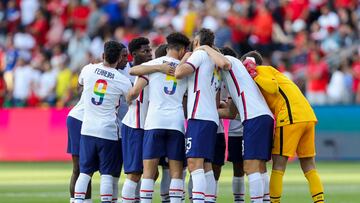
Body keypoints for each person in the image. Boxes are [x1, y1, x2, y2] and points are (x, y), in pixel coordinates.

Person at [240, 51, 324, 203]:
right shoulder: (272, 74)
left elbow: (272, 88)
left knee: (278, 165)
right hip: (308, 116)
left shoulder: (262, 70)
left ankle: (274, 201)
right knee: (309, 165)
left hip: (291, 116)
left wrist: (254, 73)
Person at [126, 32, 190, 203]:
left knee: (148, 172)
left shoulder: (151, 65)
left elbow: (134, 83)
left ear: (167, 47)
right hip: (176, 123)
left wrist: (128, 98)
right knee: (176, 172)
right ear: (183, 50)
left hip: (154, 122)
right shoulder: (186, 69)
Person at [207, 46, 274, 203]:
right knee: (260, 167)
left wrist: (204, 48)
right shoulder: (241, 79)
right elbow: (231, 113)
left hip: (254, 118)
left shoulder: (229, 63)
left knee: (250, 167)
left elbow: (224, 63)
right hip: (264, 117)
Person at [175, 28, 230, 203]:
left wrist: (185, 58)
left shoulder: (199, 55)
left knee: (194, 164)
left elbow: (178, 73)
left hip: (199, 116)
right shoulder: (214, 62)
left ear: (198, 42)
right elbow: (215, 100)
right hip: (210, 117)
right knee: (206, 165)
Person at [73, 40, 132, 203]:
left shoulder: (88, 69)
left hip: (87, 129)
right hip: (108, 131)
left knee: (84, 173)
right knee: (107, 174)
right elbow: (131, 99)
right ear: (120, 57)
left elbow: (79, 86)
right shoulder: (122, 80)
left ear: (103, 55)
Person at [120, 37, 173, 202]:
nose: (150, 53)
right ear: (134, 54)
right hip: (135, 125)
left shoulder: (150, 69)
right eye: (146, 51)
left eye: (150, 50)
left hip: (149, 125)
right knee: (135, 173)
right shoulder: (142, 70)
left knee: (153, 172)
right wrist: (129, 97)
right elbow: (132, 93)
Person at [219, 47, 246, 203]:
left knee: (251, 167)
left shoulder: (237, 78)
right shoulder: (216, 78)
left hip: (244, 128)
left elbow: (232, 112)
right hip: (234, 131)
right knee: (238, 168)